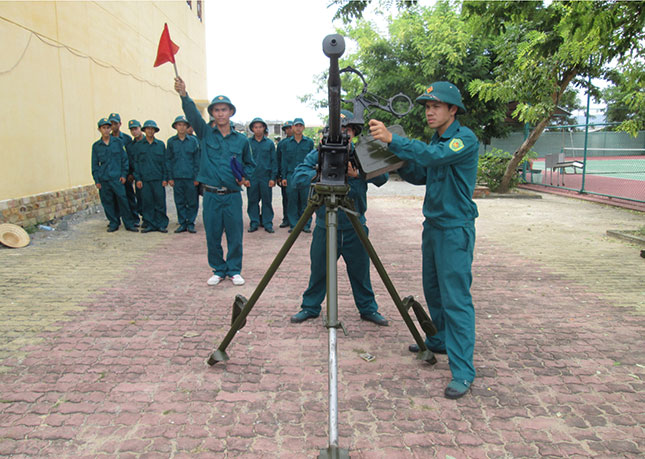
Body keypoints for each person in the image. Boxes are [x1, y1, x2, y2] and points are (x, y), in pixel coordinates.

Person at [369, 81, 479, 400]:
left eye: (436, 107)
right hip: (433, 226)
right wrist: (387, 152)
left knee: (456, 299)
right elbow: (421, 172)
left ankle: (463, 371)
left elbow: (433, 158)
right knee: (433, 289)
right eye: (427, 107)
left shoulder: (463, 140)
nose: (429, 112)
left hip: (455, 229)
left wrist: (396, 140)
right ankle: (440, 339)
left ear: (452, 110)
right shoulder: (437, 140)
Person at [290, 112, 389, 326]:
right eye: (338, 130)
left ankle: (368, 309)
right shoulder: (319, 154)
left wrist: (359, 174)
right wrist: (321, 172)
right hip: (326, 225)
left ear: (353, 134)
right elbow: (297, 177)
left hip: (355, 224)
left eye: (347, 130)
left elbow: (383, 177)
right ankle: (310, 307)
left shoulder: (362, 154)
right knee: (319, 270)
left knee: (360, 272)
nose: (343, 134)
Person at [174, 76, 255, 286]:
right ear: (212, 113)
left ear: (231, 112)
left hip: (232, 196)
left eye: (224, 109)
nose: (220, 113)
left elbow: (250, 165)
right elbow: (192, 114)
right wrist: (184, 94)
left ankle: (234, 269)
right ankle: (218, 269)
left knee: (235, 235)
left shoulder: (241, 140)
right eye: (216, 110)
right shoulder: (205, 134)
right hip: (210, 194)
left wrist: (245, 178)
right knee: (213, 235)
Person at [91, 117, 139, 233]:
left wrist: (123, 174)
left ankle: (129, 223)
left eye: (108, 128)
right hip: (104, 179)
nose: (106, 130)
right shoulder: (96, 146)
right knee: (108, 202)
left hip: (117, 178)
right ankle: (113, 222)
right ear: (99, 129)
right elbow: (94, 164)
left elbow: (124, 160)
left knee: (123, 200)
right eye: (104, 128)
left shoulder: (117, 142)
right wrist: (97, 180)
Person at [167, 115, 201, 233]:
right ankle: (182, 223)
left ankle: (191, 223)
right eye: (179, 125)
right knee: (179, 201)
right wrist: (170, 177)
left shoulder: (193, 141)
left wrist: (197, 177)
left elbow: (197, 160)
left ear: (187, 127)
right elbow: (168, 160)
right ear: (175, 126)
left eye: (184, 125)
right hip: (177, 177)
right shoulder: (171, 142)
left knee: (192, 201)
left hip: (190, 177)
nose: (181, 127)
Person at [135, 120, 169, 234]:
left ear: (155, 131)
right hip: (145, 180)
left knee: (160, 203)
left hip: (158, 179)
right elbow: (136, 163)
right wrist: (138, 179)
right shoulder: (139, 146)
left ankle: (161, 224)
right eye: (148, 128)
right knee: (147, 203)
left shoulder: (160, 145)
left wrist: (165, 178)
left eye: (152, 129)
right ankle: (150, 224)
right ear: (144, 130)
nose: (150, 131)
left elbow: (164, 163)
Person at [280, 118, 314, 232]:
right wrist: (283, 177)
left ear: (303, 128)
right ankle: (294, 225)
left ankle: (306, 225)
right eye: (296, 126)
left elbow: (313, 160)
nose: (298, 128)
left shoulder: (309, 142)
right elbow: (283, 161)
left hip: (306, 175)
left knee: (306, 201)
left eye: (300, 126)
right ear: (292, 127)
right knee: (292, 202)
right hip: (291, 175)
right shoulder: (286, 144)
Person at [246, 117, 277, 233]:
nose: (258, 129)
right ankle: (254, 222)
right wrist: (245, 177)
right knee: (252, 201)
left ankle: (267, 223)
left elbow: (274, 161)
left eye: (260, 127)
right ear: (252, 129)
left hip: (265, 177)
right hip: (252, 177)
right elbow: (244, 160)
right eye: (255, 127)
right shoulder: (247, 143)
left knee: (267, 201)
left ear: (264, 128)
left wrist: (273, 178)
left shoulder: (269, 143)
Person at [109, 112, 138, 224]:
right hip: (113, 173)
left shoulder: (126, 139)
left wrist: (131, 173)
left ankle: (134, 218)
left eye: (115, 123)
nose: (113, 126)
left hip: (126, 173)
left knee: (129, 196)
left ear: (120, 124)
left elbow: (130, 156)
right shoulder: (107, 139)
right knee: (114, 198)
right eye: (111, 123)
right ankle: (116, 219)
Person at [127, 119, 145, 225]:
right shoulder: (130, 145)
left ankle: (150, 219)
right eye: (132, 130)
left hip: (148, 174)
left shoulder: (147, 142)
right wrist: (131, 173)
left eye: (136, 129)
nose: (134, 132)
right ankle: (142, 217)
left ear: (140, 128)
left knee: (150, 198)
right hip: (136, 175)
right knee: (139, 198)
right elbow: (129, 160)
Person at [276, 120, 293, 228]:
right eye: (286, 129)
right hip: (285, 175)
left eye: (290, 127)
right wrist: (278, 176)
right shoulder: (282, 144)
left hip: (298, 175)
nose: (288, 130)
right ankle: (286, 219)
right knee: (286, 198)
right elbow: (278, 160)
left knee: (299, 200)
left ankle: (299, 220)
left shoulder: (306, 142)